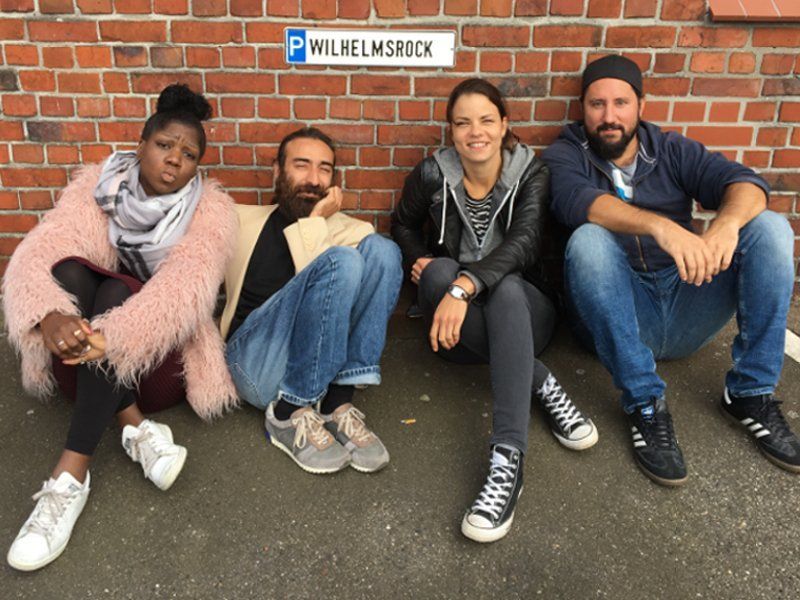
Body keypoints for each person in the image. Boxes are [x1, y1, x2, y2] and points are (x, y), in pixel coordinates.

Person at [3, 84, 238, 571]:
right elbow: (40, 248)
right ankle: (133, 425)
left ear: (198, 166)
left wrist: (113, 339)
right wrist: (48, 315)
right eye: (165, 145)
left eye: (189, 155)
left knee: (116, 290)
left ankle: (70, 477)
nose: (174, 160)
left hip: (160, 364)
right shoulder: (100, 185)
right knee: (69, 269)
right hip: (80, 362)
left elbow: (181, 294)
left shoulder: (209, 210)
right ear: (141, 145)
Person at [542, 54, 799, 487]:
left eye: (621, 103)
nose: (609, 116)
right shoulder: (564, 154)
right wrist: (660, 226)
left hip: (687, 299)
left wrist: (725, 225)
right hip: (618, 312)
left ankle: (750, 394)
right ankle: (644, 402)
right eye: (597, 104)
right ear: (582, 109)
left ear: (641, 105)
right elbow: (578, 203)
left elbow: (747, 183)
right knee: (588, 241)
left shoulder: (670, 149)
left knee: (770, 228)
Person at [391, 78, 598, 544]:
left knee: (503, 287)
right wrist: (418, 259)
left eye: (486, 120)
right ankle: (539, 379)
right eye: (463, 123)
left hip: (526, 312)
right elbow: (401, 223)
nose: (475, 132)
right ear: (451, 130)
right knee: (439, 271)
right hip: (455, 333)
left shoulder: (532, 174)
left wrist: (465, 285)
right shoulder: (432, 174)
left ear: (504, 124)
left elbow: (524, 244)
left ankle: (508, 460)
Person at [221, 127, 402, 475]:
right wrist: (315, 220)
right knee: (341, 260)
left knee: (383, 251)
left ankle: (336, 403)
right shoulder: (240, 221)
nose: (314, 179)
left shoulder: (353, 232)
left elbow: (333, 301)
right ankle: (287, 412)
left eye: (324, 169)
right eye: (301, 165)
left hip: (318, 368)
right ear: (278, 171)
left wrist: (316, 222)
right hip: (254, 363)